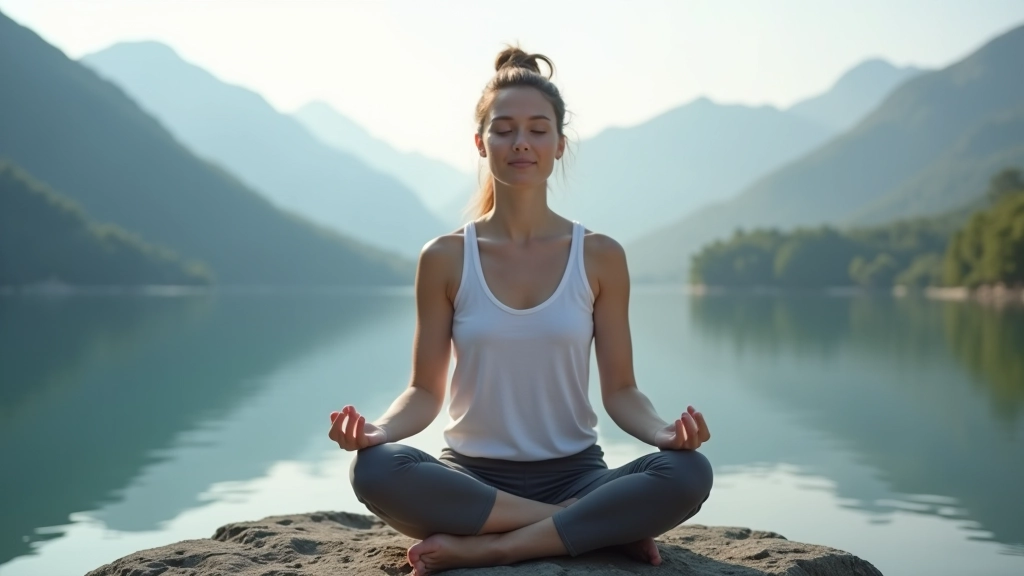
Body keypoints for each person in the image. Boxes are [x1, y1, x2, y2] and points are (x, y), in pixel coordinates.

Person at [328, 45, 713, 576]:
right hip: (471, 480)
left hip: (579, 476)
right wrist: (379, 431)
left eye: (537, 129)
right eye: (504, 129)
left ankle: (494, 546)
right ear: (480, 143)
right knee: (375, 469)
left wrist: (663, 433)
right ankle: (588, 528)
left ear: (559, 144)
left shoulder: (599, 255)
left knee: (689, 472)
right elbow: (424, 391)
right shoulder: (445, 257)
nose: (521, 143)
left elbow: (622, 391)